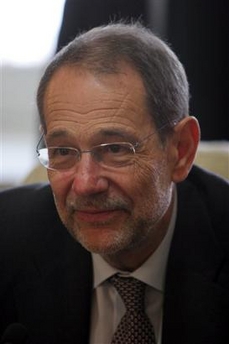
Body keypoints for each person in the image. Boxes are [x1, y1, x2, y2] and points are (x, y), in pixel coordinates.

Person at [0, 22, 229, 344]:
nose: (85, 184)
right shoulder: (7, 240)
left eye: (116, 149)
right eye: (63, 151)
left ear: (180, 151)